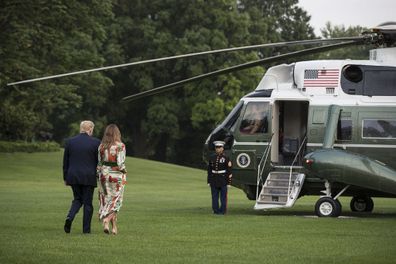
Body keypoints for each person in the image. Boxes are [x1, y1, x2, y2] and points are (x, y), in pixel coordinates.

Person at [63, 120, 101, 234]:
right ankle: (86, 230)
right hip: (88, 177)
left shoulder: (70, 141)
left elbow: (65, 161)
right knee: (88, 203)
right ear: (90, 129)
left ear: (81, 128)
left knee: (77, 199)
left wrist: (65, 177)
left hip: (73, 176)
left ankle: (70, 217)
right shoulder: (96, 143)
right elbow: (99, 161)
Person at [97, 124, 127, 235]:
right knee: (116, 200)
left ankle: (113, 227)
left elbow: (99, 162)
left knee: (106, 199)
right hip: (116, 176)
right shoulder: (120, 146)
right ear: (117, 133)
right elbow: (120, 162)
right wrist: (124, 170)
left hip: (103, 176)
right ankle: (107, 219)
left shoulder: (101, 146)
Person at [207, 141, 232, 215]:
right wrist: (209, 181)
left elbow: (229, 171)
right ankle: (215, 210)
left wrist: (229, 182)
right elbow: (209, 170)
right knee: (214, 197)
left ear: (222, 148)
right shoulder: (212, 157)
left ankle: (222, 211)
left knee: (223, 197)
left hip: (223, 179)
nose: (218, 149)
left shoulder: (226, 158)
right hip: (214, 179)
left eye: (219, 147)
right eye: (216, 147)